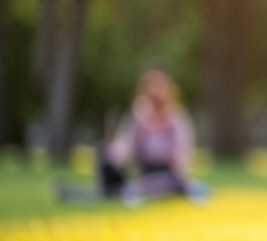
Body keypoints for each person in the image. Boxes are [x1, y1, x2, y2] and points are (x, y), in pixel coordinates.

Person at [60, 69, 206, 205]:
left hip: (167, 173)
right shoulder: (140, 117)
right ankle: (99, 191)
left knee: (149, 185)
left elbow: (181, 157)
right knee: (108, 157)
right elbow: (127, 146)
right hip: (144, 171)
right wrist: (114, 150)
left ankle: (110, 192)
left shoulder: (177, 119)